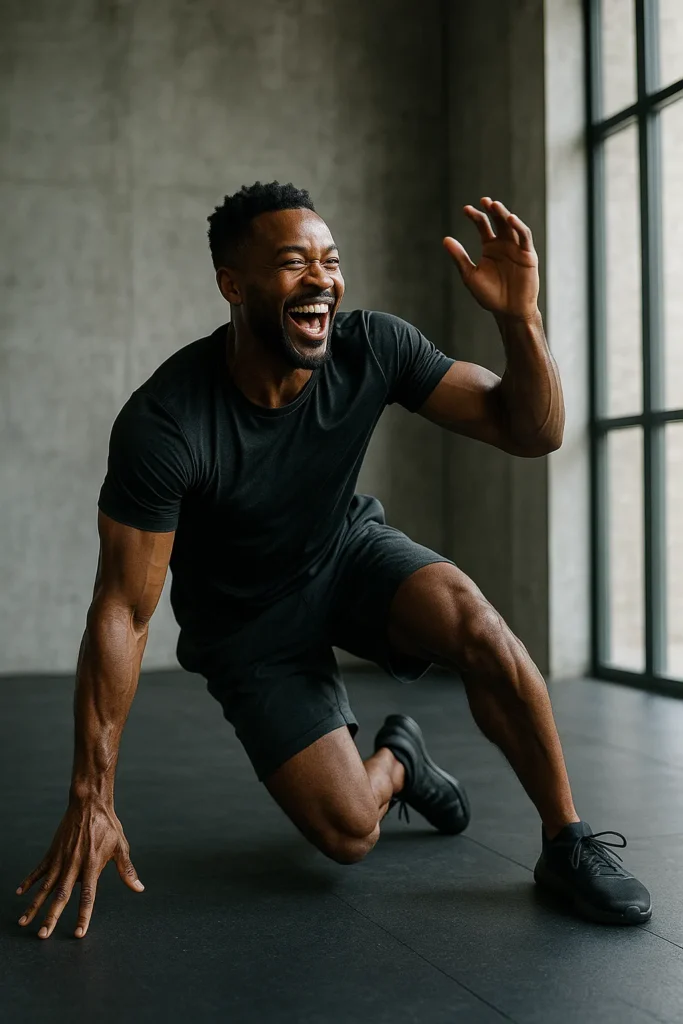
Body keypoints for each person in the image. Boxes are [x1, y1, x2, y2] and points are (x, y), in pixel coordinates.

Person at [16, 181, 651, 940]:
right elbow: (122, 609)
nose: (321, 278)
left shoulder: (370, 346)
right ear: (232, 283)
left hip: (345, 555)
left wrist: (520, 319)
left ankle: (566, 842)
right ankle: (400, 763)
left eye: (330, 259)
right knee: (350, 834)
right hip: (248, 627)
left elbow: (531, 431)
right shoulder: (166, 424)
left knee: (478, 628)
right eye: (293, 262)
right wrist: (92, 795)